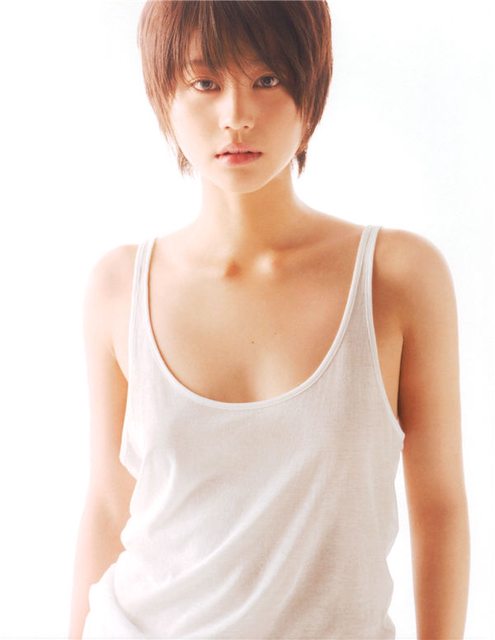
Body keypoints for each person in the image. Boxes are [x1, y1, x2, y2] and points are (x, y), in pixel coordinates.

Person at [68, 1, 470, 638]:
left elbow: (440, 505)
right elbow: (107, 505)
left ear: (312, 89)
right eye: (205, 82)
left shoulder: (396, 277)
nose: (236, 115)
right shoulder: (118, 287)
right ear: (164, 96)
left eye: (267, 79)